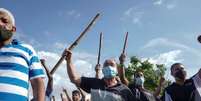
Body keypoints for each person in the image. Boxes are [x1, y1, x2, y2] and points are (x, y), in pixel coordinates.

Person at [0, 8, 45, 101]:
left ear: (13, 29)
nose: (0, 23)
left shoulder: (27, 50)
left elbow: (37, 82)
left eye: (4, 21)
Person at [64, 49, 135, 101]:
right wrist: (69, 60)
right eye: (106, 65)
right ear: (103, 69)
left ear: (116, 70)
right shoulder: (94, 83)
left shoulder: (125, 90)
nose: (109, 67)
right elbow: (74, 78)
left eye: (112, 65)